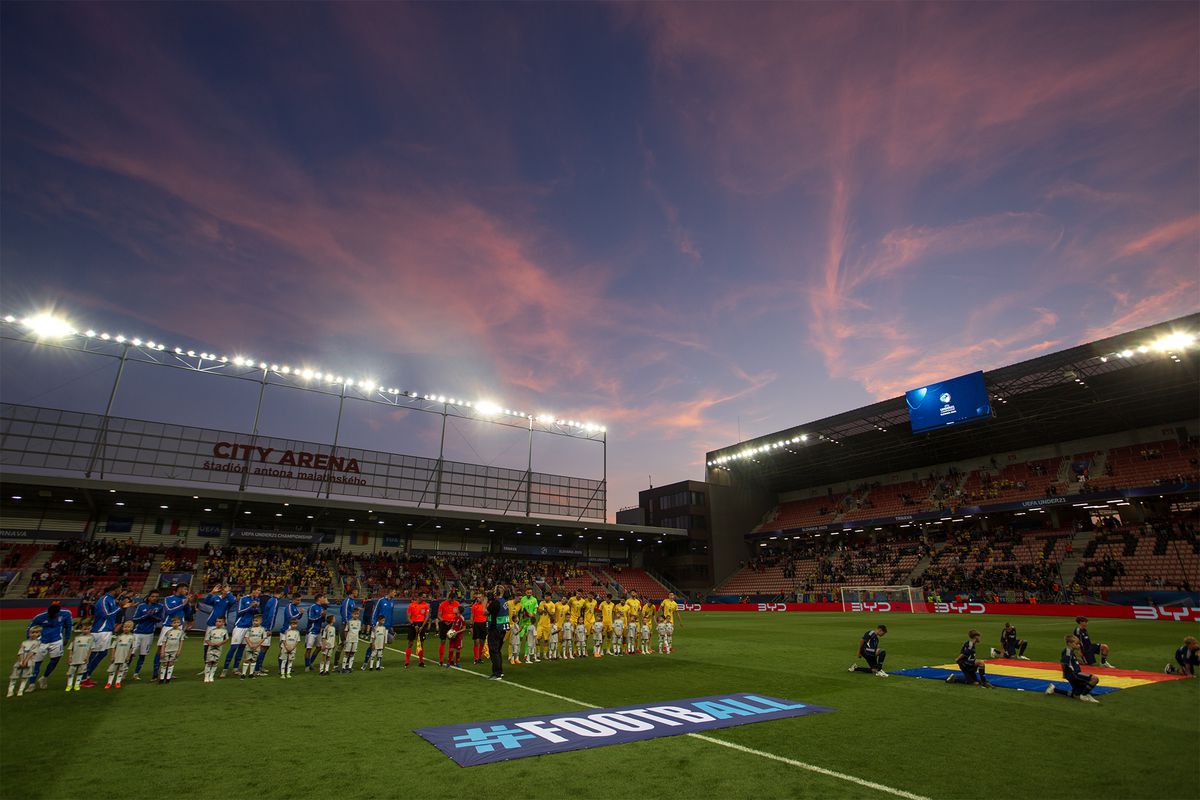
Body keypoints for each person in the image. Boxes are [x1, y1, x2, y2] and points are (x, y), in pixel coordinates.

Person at [26, 600, 73, 691]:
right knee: (36, 662)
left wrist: (67, 637)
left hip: (57, 641)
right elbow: (30, 627)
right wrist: (29, 640)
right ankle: (31, 684)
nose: (53, 616)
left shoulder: (66, 613)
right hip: (41, 641)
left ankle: (44, 678)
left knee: (55, 660)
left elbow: (69, 625)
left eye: (55, 615)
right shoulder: (40, 617)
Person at [82, 584, 121, 688]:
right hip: (101, 630)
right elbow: (106, 614)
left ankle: (87, 676)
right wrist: (120, 607)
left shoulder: (111, 599)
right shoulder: (104, 599)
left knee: (100, 653)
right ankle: (84, 677)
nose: (120, 592)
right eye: (119, 589)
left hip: (106, 630)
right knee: (97, 654)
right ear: (115, 589)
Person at [1046, 634, 1100, 703]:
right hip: (1074, 674)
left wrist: (1079, 661)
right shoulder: (1067, 652)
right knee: (1094, 679)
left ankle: (1054, 689)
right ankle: (1084, 695)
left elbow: (1071, 661)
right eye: (1077, 644)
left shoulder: (1070, 651)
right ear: (1069, 643)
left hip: (1073, 674)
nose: (1079, 645)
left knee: (1076, 695)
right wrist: (1064, 673)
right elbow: (1064, 663)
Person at [155, 584, 190, 681]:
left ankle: (168, 673)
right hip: (168, 626)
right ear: (179, 589)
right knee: (161, 648)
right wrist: (182, 604)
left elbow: (188, 613)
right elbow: (168, 611)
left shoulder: (184, 599)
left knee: (174, 649)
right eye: (185, 589)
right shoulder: (168, 598)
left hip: (179, 627)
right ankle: (155, 673)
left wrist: (188, 604)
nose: (186, 591)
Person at [223, 587, 260, 678]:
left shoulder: (257, 600)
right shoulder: (244, 599)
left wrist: (256, 608)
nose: (259, 592)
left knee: (242, 648)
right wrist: (250, 607)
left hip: (248, 627)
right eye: (258, 590)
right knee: (233, 647)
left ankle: (235, 668)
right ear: (253, 591)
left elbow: (257, 612)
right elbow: (239, 612)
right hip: (240, 626)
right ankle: (225, 669)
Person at [130, 590, 163, 681]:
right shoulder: (141, 606)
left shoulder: (159, 606)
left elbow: (159, 619)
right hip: (137, 633)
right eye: (153, 596)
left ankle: (136, 673)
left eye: (156, 596)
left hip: (149, 634)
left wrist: (151, 616)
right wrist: (146, 616)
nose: (155, 598)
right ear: (148, 597)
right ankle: (123, 671)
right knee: (131, 654)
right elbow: (135, 619)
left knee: (142, 655)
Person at [362, 590, 394, 670]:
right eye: (393, 592)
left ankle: (378, 664)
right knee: (372, 645)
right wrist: (373, 623)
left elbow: (391, 614)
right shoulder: (381, 600)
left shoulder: (392, 602)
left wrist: (390, 626)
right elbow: (375, 611)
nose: (394, 594)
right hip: (377, 625)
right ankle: (365, 663)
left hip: (386, 627)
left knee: (382, 646)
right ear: (389, 592)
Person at [8, 626, 42, 698]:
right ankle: (10, 691)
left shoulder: (37, 643)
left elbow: (32, 653)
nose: (34, 634)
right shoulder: (24, 642)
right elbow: (20, 652)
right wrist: (21, 661)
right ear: (29, 633)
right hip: (21, 661)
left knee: (25, 677)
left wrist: (26, 661)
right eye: (32, 632)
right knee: (13, 676)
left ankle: (20, 691)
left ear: (39, 634)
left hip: (29, 662)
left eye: (36, 633)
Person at [255, 588, 282, 676]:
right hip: (266, 627)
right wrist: (269, 628)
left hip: (265, 625)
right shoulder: (275, 601)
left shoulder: (271, 600)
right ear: (281, 593)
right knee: (263, 648)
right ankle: (257, 669)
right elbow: (272, 615)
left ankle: (259, 666)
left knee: (265, 647)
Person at [486, 585, 510, 680]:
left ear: (496, 593)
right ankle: (499, 671)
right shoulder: (505, 602)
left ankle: (497, 673)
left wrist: (485, 601)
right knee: (497, 651)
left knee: (493, 651)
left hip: (495, 628)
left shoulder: (495, 603)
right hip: (502, 629)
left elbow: (485, 612)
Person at [105, 621, 136, 689]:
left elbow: (131, 648)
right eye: (125, 627)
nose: (126, 628)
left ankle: (118, 682)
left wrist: (128, 656)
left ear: (131, 628)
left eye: (128, 627)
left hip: (124, 656)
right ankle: (109, 682)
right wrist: (112, 656)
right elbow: (113, 647)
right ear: (122, 628)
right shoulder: (118, 637)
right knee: (112, 669)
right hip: (117, 656)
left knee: (121, 670)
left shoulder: (132, 637)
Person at [65, 622, 95, 692]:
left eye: (88, 629)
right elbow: (71, 648)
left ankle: (77, 684)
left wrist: (87, 657)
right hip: (74, 658)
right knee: (71, 672)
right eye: (84, 629)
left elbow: (91, 649)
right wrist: (70, 657)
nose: (86, 630)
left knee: (80, 672)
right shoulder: (76, 638)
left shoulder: (91, 638)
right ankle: (69, 685)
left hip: (83, 658)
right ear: (81, 629)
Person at [405, 590, 430, 668]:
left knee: (421, 644)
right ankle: (406, 662)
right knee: (410, 643)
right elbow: (408, 617)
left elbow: (427, 616)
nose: (425, 599)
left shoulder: (426, 605)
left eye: (425, 597)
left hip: (422, 624)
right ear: (419, 597)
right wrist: (413, 625)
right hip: (413, 624)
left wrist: (422, 626)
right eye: (423, 597)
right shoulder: (411, 605)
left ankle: (421, 662)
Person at [304, 594, 329, 672]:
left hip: (318, 631)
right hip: (311, 630)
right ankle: (307, 666)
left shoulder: (322, 607)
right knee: (309, 648)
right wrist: (320, 616)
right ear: (318, 598)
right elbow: (311, 618)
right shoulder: (312, 607)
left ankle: (310, 663)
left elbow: (322, 620)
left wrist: (323, 616)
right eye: (322, 598)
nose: (324, 599)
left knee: (319, 647)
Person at [437, 591, 461, 668]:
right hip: (444, 624)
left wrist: (454, 622)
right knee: (443, 641)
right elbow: (439, 615)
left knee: (453, 642)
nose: (453, 601)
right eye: (452, 599)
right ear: (449, 598)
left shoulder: (457, 604)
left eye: (454, 599)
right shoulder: (442, 604)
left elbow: (458, 614)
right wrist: (444, 621)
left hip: (453, 625)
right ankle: (441, 660)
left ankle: (451, 660)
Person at [281, 593, 303, 674]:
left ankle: (288, 667)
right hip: (286, 629)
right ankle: (282, 667)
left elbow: (297, 618)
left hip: (292, 630)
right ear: (293, 599)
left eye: (300, 600)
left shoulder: (295, 607)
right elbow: (291, 617)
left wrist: (301, 614)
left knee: (291, 648)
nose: (299, 601)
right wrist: (299, 613)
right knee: (283, 649)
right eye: (298, 600)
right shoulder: (289, 606)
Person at [158, 617, 186, 684]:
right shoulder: (168, 632)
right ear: (171, 624)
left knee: (171, 663)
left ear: (180, 623)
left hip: (174, 651)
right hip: (166, 650)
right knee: (164, 664)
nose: (176, 624)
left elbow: (181, 642)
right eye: (174, 623)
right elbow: (164, 642)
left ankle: (168, 679)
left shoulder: (181, 632)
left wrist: (179, 651)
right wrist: (162, 651)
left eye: (177, 623)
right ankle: (161, 679)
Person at [203, 619, 229, 683]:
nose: (217, 623)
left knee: (215, 662)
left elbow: (227, 639)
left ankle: (211, 676)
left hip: (219, 648)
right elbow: (206, 639)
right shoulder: (212, 630)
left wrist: (220, 643)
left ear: (223, 623)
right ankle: (206, 676)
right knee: (209, 661)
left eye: (219, 621)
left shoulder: (224, 631)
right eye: (216, 621)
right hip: (211, 648)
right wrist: (211, 644)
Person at [241, 615, 267, 679]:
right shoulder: (250, 629)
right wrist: (250, 644)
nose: (254, 622)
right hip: (249, 647)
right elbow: (246, 637)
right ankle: (243, 674)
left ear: (261, 621)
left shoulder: (262, 629)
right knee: (247, 660)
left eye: (256, 621)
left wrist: (257, 645)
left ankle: (251, 674)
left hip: (257, 647)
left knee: (253, 660)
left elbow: (263, 638)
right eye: (253, 621)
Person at [341, 607, 363, 674]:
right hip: (349, 640)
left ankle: (350, 667)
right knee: (347, 653)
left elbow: (358, 630)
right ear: (352, 614)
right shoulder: (349, 622)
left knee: (353, 653)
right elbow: (346, 631)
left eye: (357, 614)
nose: (356, 615)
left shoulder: (359, 622)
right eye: (355, 614)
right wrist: (345, 639)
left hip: (355, 640)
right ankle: (343, 667)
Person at [520, 588, 539, 664]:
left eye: (530, 592)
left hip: (529, 622)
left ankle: (525, 655)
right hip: (523, 621)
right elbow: (522, 609)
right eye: (528, 592)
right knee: (520, 638)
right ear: (525, 592)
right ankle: (515, 655)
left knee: (528, 639)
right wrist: (526, 614)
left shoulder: (534, 600)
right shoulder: (522, 599)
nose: (529, 594)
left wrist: (533, 614)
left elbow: (535, 608)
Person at [470, 593, 488, 665]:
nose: (478, 599)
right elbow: (472, 616)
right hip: (476, 624)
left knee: (482, 642)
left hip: (483, 624)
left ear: (483, 598)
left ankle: (480, 658)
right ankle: (476, 659)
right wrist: (471, 626)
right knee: (476, 642)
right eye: (477, 597)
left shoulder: (485, 606)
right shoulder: (474, 606)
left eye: (480, 597)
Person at [536, 593, 554, 661]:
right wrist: (543, 610)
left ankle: (544, 654)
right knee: (538, 639)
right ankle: (537, 653)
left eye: (548, 596)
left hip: (547, 625)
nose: (546, 598)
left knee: (546, 640)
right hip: (540, 624)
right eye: (546, 596)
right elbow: (539, 612)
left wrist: (547, 609)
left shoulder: (552, 604)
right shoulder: (541, 603)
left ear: (550, 597)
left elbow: (552, 614)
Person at [507, 593, 524, 666]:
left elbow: (519, 615)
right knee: (503, 641)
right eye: (519, 598)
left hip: (514, 626)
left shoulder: (520, 605)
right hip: (507, 625)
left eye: (521, 599)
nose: (520, 600)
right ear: (515, 597)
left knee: (513, 643)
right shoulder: (508, 603)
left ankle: (512, 657)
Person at [554, 593, 570, 659]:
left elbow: (567, 616)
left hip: (562, 626)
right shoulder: (557, 604)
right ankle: (553, 653)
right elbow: (553, 612)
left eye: (564, 599)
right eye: (562, 598)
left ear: (566, 600)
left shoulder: (567, 607)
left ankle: (558, 653)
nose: (562, 600)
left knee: (561, 640)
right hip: (556, 625)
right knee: (554, 640)